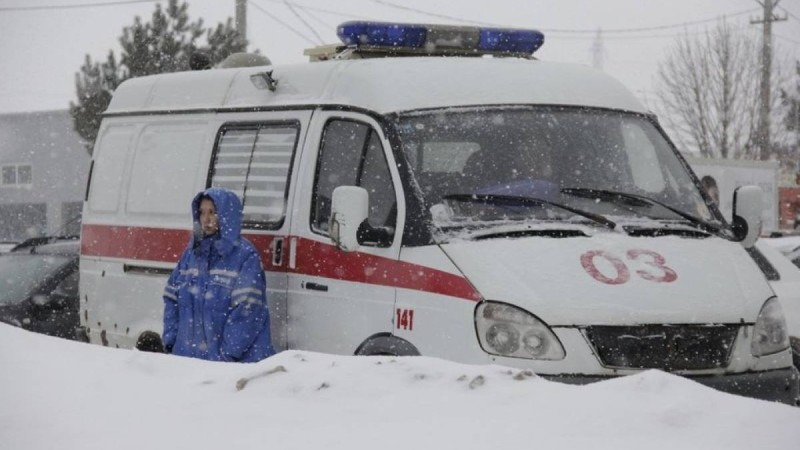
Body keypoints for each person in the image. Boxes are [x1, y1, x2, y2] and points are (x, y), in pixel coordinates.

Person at [162, 187, 275, 362]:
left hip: (232, 367)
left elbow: (248, 310)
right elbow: (172, 299)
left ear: (227, 215)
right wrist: (171, 342)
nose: (206, 219)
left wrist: (226, 355)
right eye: (201, 212)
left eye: (212, 212)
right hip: (189, 362)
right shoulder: (191, 254)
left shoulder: (245, 256)